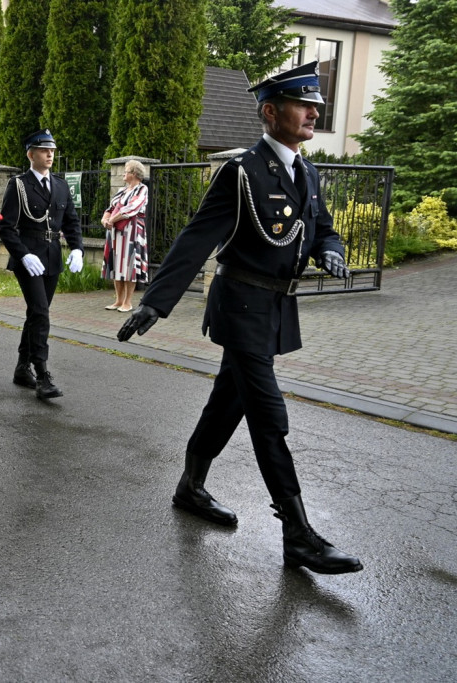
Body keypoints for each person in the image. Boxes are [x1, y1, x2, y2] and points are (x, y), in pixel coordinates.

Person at [117, 62, 362, 574]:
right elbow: (195, 239)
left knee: (228, 403)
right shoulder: (242, 171)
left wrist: (329, 251)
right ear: (271, 112)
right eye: (303, 103)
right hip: (241, 305)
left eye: (316, 104)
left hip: (275, 308)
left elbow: (322, 229)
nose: (314, 112)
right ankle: (298, 534)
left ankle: (190, 486)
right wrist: (155, 302)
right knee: (269, 417)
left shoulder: (307, 171)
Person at [0, 129, 84, 399]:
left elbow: (70, 220)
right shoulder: (19, 185)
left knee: (38, 312)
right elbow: (7, 228)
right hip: (29, 257)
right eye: (44, 150)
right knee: (40, 312)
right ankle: (42, 373)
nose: (50, 154)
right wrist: (23, 254)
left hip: (52, 256)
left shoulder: (59, 185)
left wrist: (78, 248)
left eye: (52, 151)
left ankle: (22, 367)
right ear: (30, 153)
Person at [102, 159, 149, 312]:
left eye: (126, 171)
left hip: (132, 232)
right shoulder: (122, 190)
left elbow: (132, 208)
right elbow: (111, 207)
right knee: (117, 264)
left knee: (129, 265)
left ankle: (127, 303)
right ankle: (118, 300)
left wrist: (112, 220)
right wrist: (105, 219)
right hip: (116, 233)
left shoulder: (142, 189)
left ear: (134, 174)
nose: (123, 173)